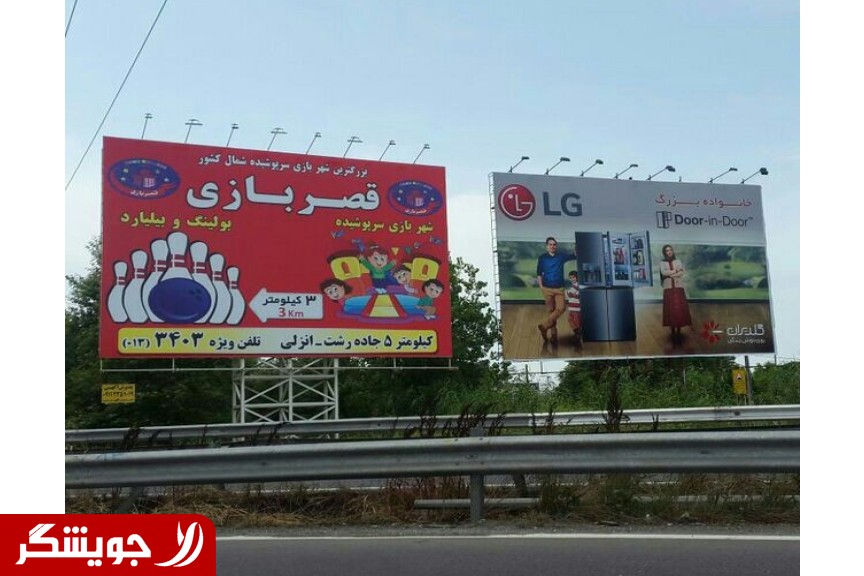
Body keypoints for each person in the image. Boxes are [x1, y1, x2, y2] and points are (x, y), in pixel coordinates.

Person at [536, 236, 577, 344]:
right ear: (547, 246)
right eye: (550, 244)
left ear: (556, 246)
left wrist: (577, 247)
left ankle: (544, 326)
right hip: (547, 288)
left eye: (554, 244)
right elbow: (539, 273)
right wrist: (541, 286)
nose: (552, 246)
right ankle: (553, 335)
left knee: (561, 308)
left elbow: (574, 256)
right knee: (551, 311)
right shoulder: (542, 258)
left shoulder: (561, 256)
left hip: (559, 289)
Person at [659, 244, 692, 342]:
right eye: (667, 250)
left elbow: (681, 272)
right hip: (668, 287)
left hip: (678, 287)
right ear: (664, 253)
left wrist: (671, 274)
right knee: (670, 307)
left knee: (679, 307)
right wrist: (674, 271)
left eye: (670, 250)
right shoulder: (662, 263)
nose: (669, 252)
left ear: (672, 251)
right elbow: (663, 273)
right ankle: (672, 328)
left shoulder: (678, 261)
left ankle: (679, 328)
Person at [565, 270, 582, 344]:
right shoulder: (573, 286)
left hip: (576, 307)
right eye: (570, 278)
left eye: (573, 277)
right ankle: (577, 332)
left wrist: (571, 294)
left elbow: (570, 293)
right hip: (572, 307)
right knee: (570, 319)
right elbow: (570, 294)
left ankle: (578, 334)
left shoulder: (576, 285)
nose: (572, 279)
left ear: (577, 277)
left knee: (576, 320)